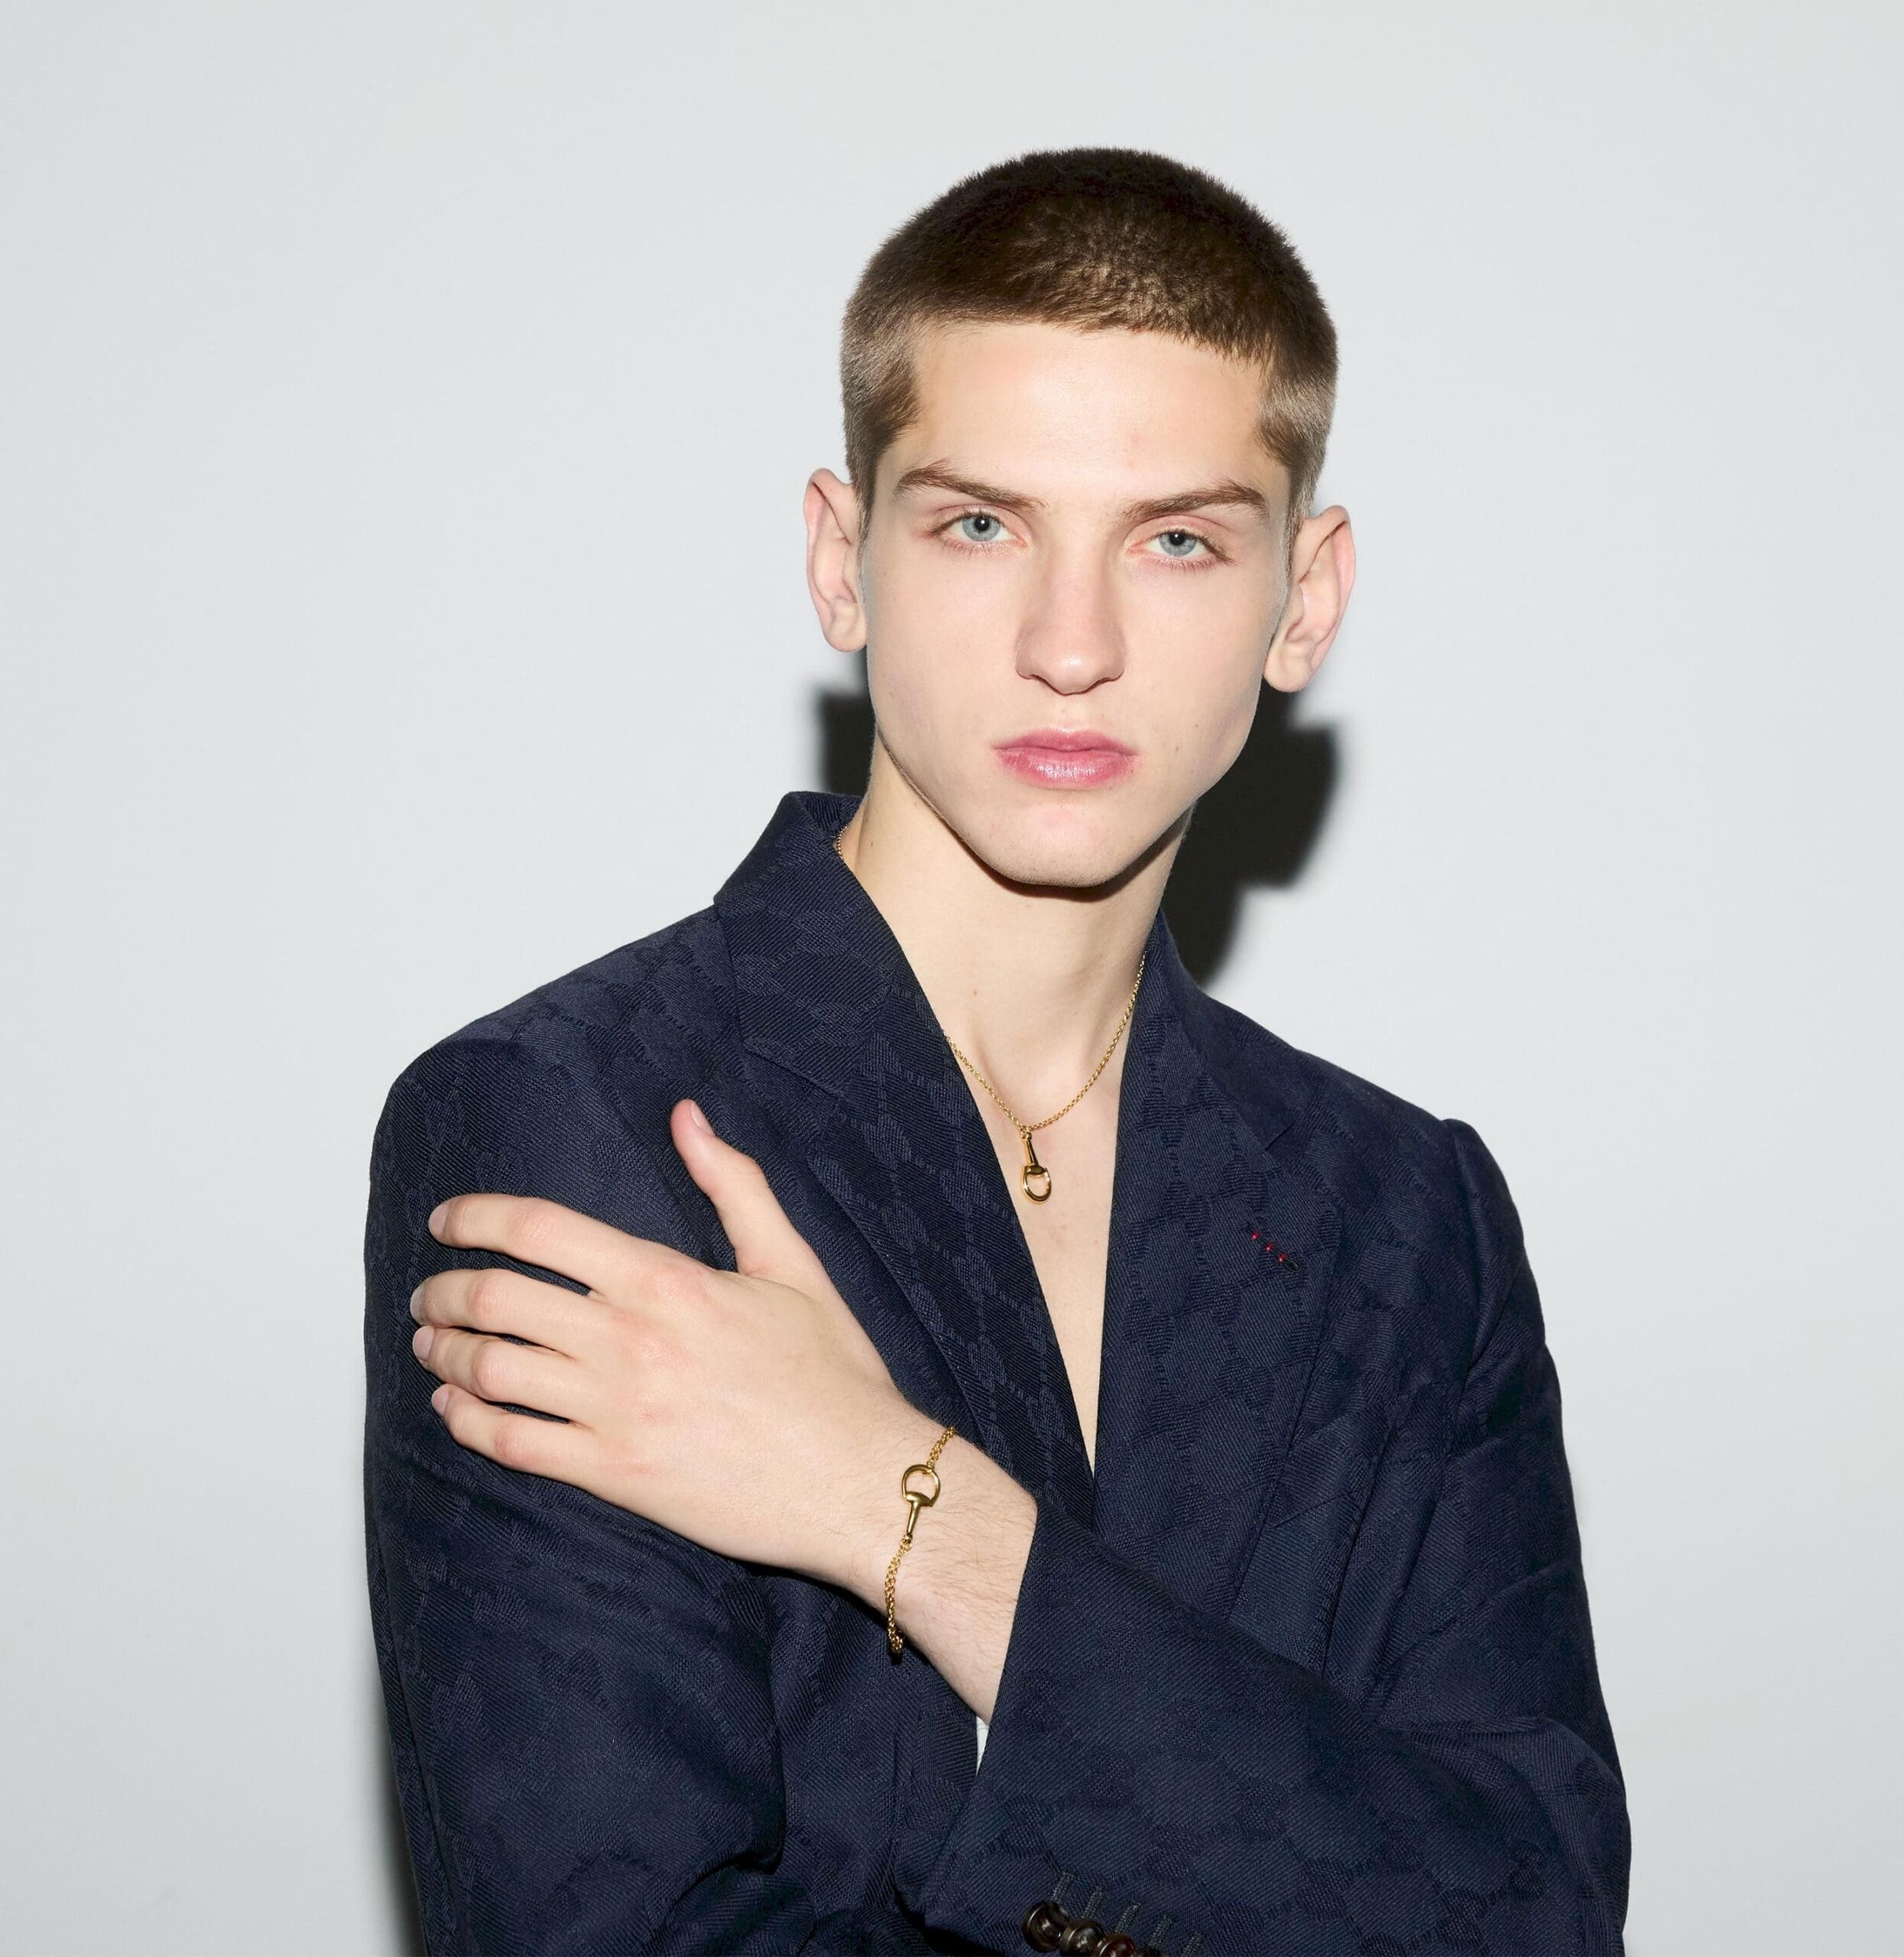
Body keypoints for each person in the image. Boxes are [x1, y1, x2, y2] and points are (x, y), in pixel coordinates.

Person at [363, 146, 1630, 1955]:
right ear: (841, 559)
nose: (1069, 645)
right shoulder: (578, 1127)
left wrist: (912, 1513)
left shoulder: (1408, 1214)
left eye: (1176, 539)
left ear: (1303, 598)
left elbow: (1530, 1913)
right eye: (979, 525)